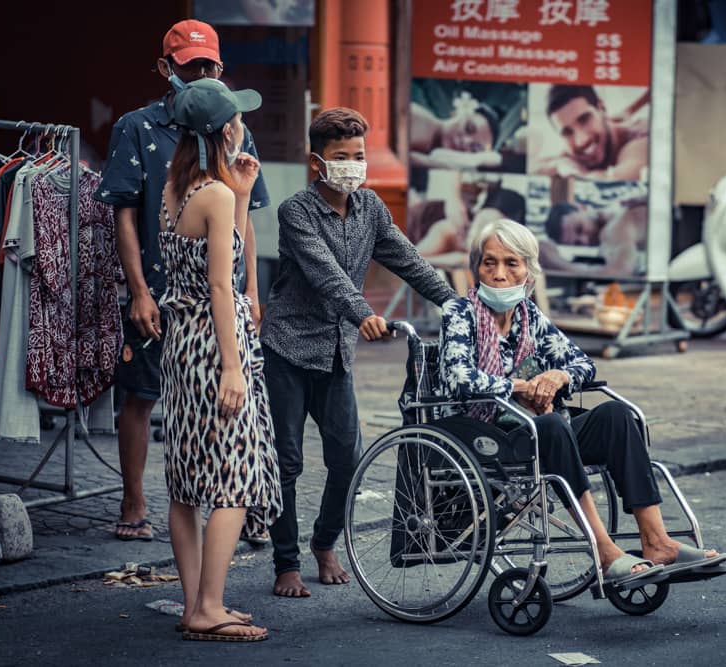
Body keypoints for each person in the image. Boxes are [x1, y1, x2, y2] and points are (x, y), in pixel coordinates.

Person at [439, 219, 726, 582]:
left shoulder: (532, 319)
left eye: (511, 263)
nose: (498, 274)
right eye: (489, 263)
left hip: (537, 429)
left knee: (617, 416)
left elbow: (583, 364)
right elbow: (458, 378)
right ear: (476, 268)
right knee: (553, 425)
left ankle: (657, 541)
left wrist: (559, 376)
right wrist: (521, 387)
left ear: (529, 272)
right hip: (487, 435)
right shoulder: (460, 314)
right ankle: (605, 552)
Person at [260, 107, 456, 597]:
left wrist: (458, 304)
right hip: (287, 348)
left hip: (337, 355)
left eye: (359, 155)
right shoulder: (296, 212)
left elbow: (408, 260)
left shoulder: (370, 209)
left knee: (347, 457)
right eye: (341, 156)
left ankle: (324, 544)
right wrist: (361, 311)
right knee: (286, 462)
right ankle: (285, 562)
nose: (352, 164)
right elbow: (325, 273)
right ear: (317, 161)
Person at [96, 19, 270, 543]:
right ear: (165, 69)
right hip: (162, 287)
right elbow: (124, 212)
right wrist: (140, 291)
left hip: (221, 296)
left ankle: (227, 508)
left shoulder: (234, 124)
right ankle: (134, 500)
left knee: (224, 401)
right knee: (143, 395)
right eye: (189, 66)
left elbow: (248, 215)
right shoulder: (137, 126)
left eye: (208, 66)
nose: (199, 74)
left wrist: (252, 291)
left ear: (220, 68)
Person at [158, 77, 281, 641]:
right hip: (213, 343)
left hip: (180, 345)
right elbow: (221, 287)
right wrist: (234, 366)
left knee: (185, 481)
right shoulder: (218, 194)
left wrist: (240, 186)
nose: (240, 125)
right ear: (221, 130)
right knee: (233, 475)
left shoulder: (178, 186)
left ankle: (194, 606)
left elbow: (219, 256)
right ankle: (209, 605)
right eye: (235, 119)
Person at [533, 85, 648, 181]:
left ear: (602, 108)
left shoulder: (639, 141)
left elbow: (618, 180)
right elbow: (537, 167)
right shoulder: (569, 154)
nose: (581, 141)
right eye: (567, 132)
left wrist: (574, 173)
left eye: (584, 119)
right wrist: (561, 164)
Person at [539, 197, 648, 275]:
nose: (585, 240)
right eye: (578, 243)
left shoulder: (612, 230)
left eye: (579, 228)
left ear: (582, 207)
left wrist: (557, 263)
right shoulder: (618, 206)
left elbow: (620, 271)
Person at [410, 93, 504, 170]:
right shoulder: (415, 121)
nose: (465, 141)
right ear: (460, 113)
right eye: (469, 128)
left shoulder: (438, 159)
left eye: (474, 148)